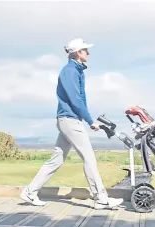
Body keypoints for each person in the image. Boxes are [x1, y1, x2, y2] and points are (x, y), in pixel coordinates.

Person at [20, 38, 124, 210]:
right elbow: (75, 99)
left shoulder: (76, 70)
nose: (88, 53)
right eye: (85, 50)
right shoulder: (70, 71)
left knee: (56, 160)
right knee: (89, 158)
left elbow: (77, 99)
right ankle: (101, 198)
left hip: (68, 120)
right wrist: (91, 121)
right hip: (70, 120)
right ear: (77, 53)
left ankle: (30, 192)